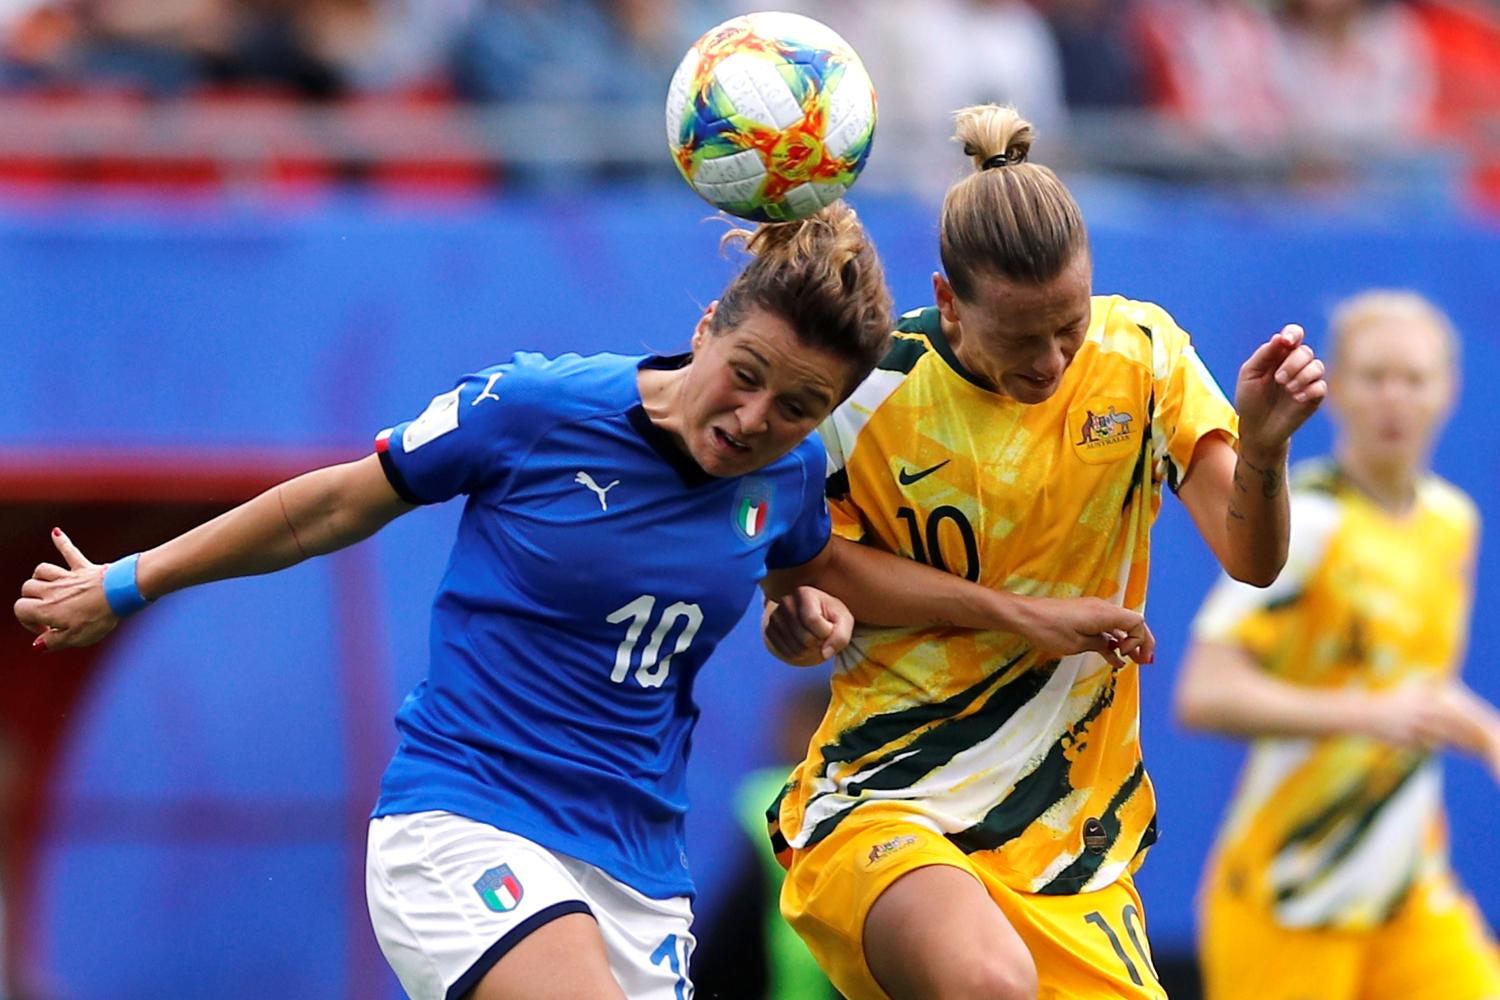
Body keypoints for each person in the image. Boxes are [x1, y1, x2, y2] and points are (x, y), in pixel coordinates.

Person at [13, 201, 1152, 1000]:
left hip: (639, 866)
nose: (755, 417)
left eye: (799, 407)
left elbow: (798, 578)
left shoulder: (786, 479)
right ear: (705, 329)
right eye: (745, 373)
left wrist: (799, 619)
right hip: (469, 816)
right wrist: (129, 577)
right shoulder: (537, 407)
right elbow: (330, 506)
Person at [760, 103, 1327, 1000]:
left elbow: (1251, 559)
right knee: (990, 984)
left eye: (1068, 325)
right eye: (1023, 337)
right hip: (890, 801)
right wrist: (1020, 616)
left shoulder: (1142, 355)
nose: (1055, 360)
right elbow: (810, 566)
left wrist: (1262, 447)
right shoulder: (869, 394)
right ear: (948, 302)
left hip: (1070, 845)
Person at [1175, 290, 1500, 1000]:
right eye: (1374, 376)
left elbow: (1414, 683)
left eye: (1413, 378)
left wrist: (1485, 733)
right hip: (1290, 894)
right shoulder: (1310, 523)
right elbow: (1205, 692)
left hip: (1409, 889)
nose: (1394, 398)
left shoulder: (1453, 523)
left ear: (1448, 390)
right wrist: (1365, 715)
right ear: (1338, 389)